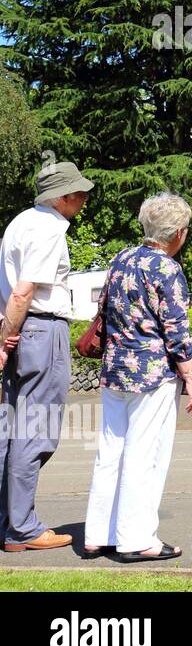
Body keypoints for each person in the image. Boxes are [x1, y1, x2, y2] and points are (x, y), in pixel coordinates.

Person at [84, 193, 192, 562]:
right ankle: (136, 539)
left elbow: (103, 310)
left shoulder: (121, 259)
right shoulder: (167, 269)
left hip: (115, 370)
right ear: (178, 233)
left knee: (111, 452)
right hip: (152, 374)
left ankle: (98, 533)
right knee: (145, 455)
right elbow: (177, 331)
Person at [0, 162, 94, 553]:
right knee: (34, 430)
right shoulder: (49, 229)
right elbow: (24, 292)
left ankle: (8, 522)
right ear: (61, 197)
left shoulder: (20, 222)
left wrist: (4, 334)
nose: (84, 199)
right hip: (41, 328)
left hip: (21, 327)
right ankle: (22, 528)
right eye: (78, 193)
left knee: (10, 428)